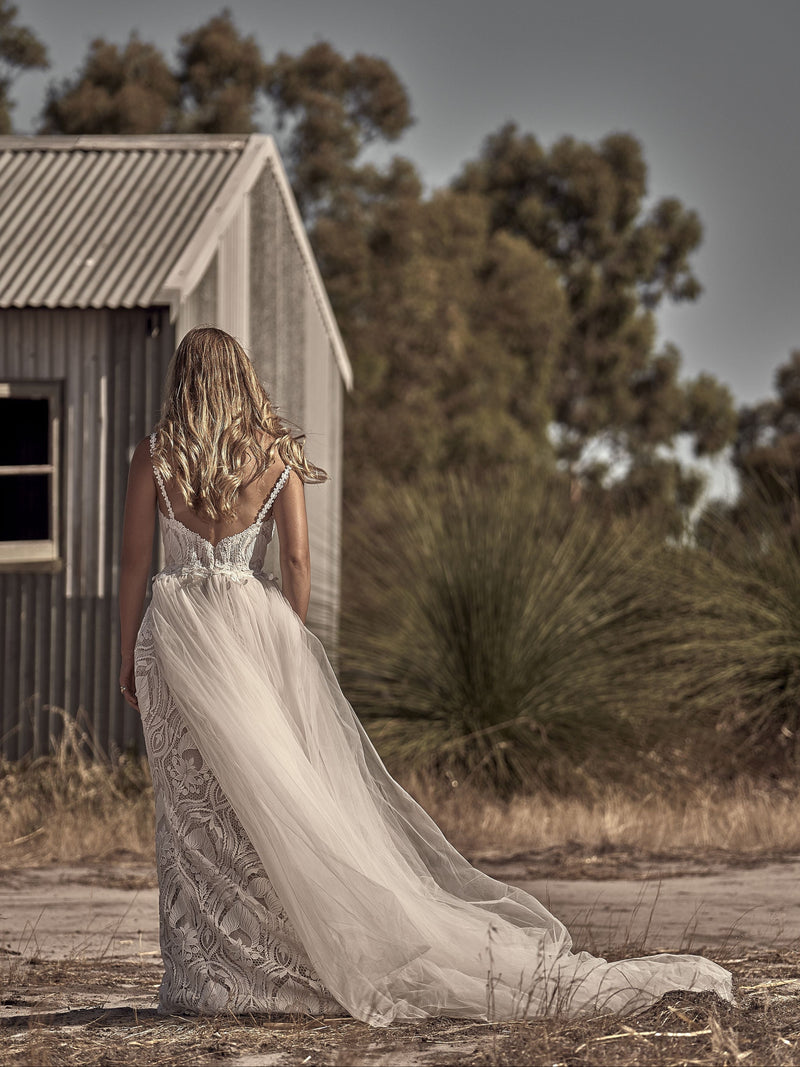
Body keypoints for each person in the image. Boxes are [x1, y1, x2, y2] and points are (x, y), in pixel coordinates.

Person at [119, 325, 733, 1026]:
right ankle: (262, 963)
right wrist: (287, 646)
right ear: (240, 377)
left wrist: (123, 654)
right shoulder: (275, 454)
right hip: (252, 633)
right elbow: (296, 564)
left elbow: (135, 566)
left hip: (174, 639)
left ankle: (212, 975)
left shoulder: (155, 457)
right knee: (271, 804)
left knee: (195, 813)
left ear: (185, 380)